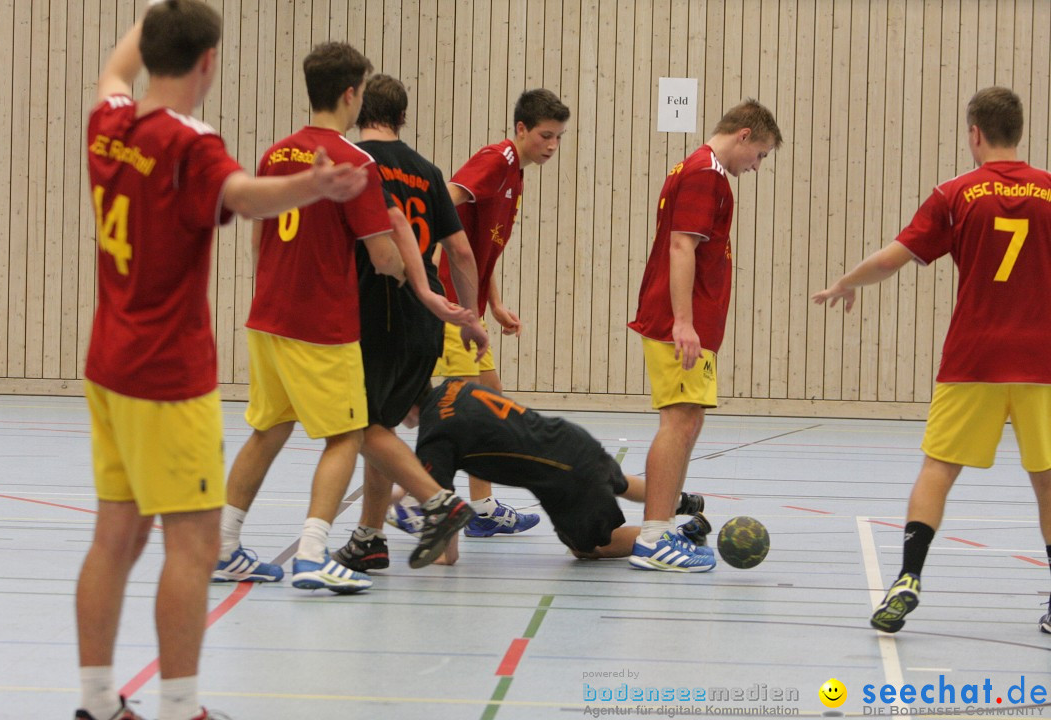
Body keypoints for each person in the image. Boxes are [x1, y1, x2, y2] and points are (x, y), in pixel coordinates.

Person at [78, 3, 370, 719]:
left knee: (114, 536)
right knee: (193, 543)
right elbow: (244, 195)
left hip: (107, 362)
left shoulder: (109, 121)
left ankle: (94, 701)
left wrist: (152, 20)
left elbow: (116, 69)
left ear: (151, 49)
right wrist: (317, 187)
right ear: (209, 62)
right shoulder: (191, 144)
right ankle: (180, 708)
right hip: (166, 376)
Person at [213, 44, 474, 590]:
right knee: (348, 434)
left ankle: (223, 546)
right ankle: (313, 554)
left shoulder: (277, 153)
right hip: (320, 324)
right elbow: (382, 256)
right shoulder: (355, 162)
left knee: (268, 429)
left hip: (267, 316)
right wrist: (419, 285)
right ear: (352, 93)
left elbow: (259, 236)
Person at [813, 86, 1051, 634]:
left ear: (975, 133)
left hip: (973, 359)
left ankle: (907, 578)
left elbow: (894, 259)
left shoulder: (956, 195)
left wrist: (846, 282)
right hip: (1041, 361)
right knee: (1047, 479)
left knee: (939, 468)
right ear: (1017, 131)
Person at [328, 74, 490, 570]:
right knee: (386, 424)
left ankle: (434, 507)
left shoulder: (354, 163)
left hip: (375, 311)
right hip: (426, 321)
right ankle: (372, 537)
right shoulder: (427, 170)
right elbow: (460, 251)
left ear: (359, 112)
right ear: (403, 116)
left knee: (365, 425)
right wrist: (468, 315)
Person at [627, 99, 781, 572]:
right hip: (680, 323)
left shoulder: (699, 169)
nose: (755, 167)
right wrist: (683, 321)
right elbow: (680, 246)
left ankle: (664, 524)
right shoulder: (705, 174)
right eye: (760, 155)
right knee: (678, 420)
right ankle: (653, 537)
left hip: (693, 322)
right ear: (744, 135)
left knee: (688, 420)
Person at [428, 88, 571, 537]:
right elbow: (443, 201)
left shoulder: (517, 174)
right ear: (521, 129)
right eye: (545, 135)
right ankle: (424, 502)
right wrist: (430, 262)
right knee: (471, 409)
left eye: (559, 137)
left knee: (486, 405)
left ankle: (478, 507)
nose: (552, 145)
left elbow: (478, 245)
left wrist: (493, 302)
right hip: (449, 308)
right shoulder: (495, 160)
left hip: (469, 308)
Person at [385, 379, 713, 568]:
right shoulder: (453, 388)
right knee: (619, 483)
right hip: (573, 439)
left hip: (565, 477)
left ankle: (678, 535)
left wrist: (443, 559)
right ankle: (680, 502)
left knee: (589, 549)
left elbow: (448, 526)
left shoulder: (434, 438)